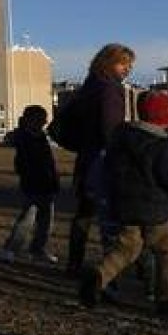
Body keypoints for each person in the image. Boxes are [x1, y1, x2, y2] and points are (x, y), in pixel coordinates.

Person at [79, 91, 168, 312]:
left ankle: (99, 275)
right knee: (166, 251)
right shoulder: (163, 145)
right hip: (157, 211)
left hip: (126, 207)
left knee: (126, 249)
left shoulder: (121, 139)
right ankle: (166, 297)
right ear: (167, 118)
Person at [65, 43, 136, 277]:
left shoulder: (89, 86)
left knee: (84, 215)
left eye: (129, 65)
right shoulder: (109, 89)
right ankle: (109, 270)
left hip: (86, 158)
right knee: (112, 217)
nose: (127, 69)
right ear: (109, 63)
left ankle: (74, 263)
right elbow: (111, 129)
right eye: (123, 64)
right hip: (103, 161)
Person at [1, 105, 60, 263]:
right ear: (31, 120)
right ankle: (11, 248)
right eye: (41, 119)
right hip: (33, 183)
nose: (44, 122)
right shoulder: (25, 138)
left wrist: (53, 179)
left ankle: (37, 248)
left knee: (46, 221)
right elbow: (22, 163)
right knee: (28, 218)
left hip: (46, 183)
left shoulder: (40, 137)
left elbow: (49, 161)